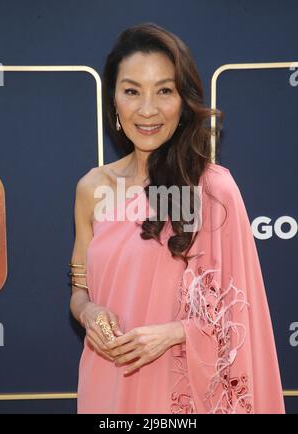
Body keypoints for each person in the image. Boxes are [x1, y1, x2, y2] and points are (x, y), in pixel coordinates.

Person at [69, 22, 285, 414]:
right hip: (106, 377)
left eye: (164, 91)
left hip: (176, 387)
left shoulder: (213, 189)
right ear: (113, 99)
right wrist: (88, 313)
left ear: (183, 100)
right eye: (132, 91)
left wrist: (173, 333)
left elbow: (240, 313)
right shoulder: (91, 188)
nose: (147, 109)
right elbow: (80, 290)